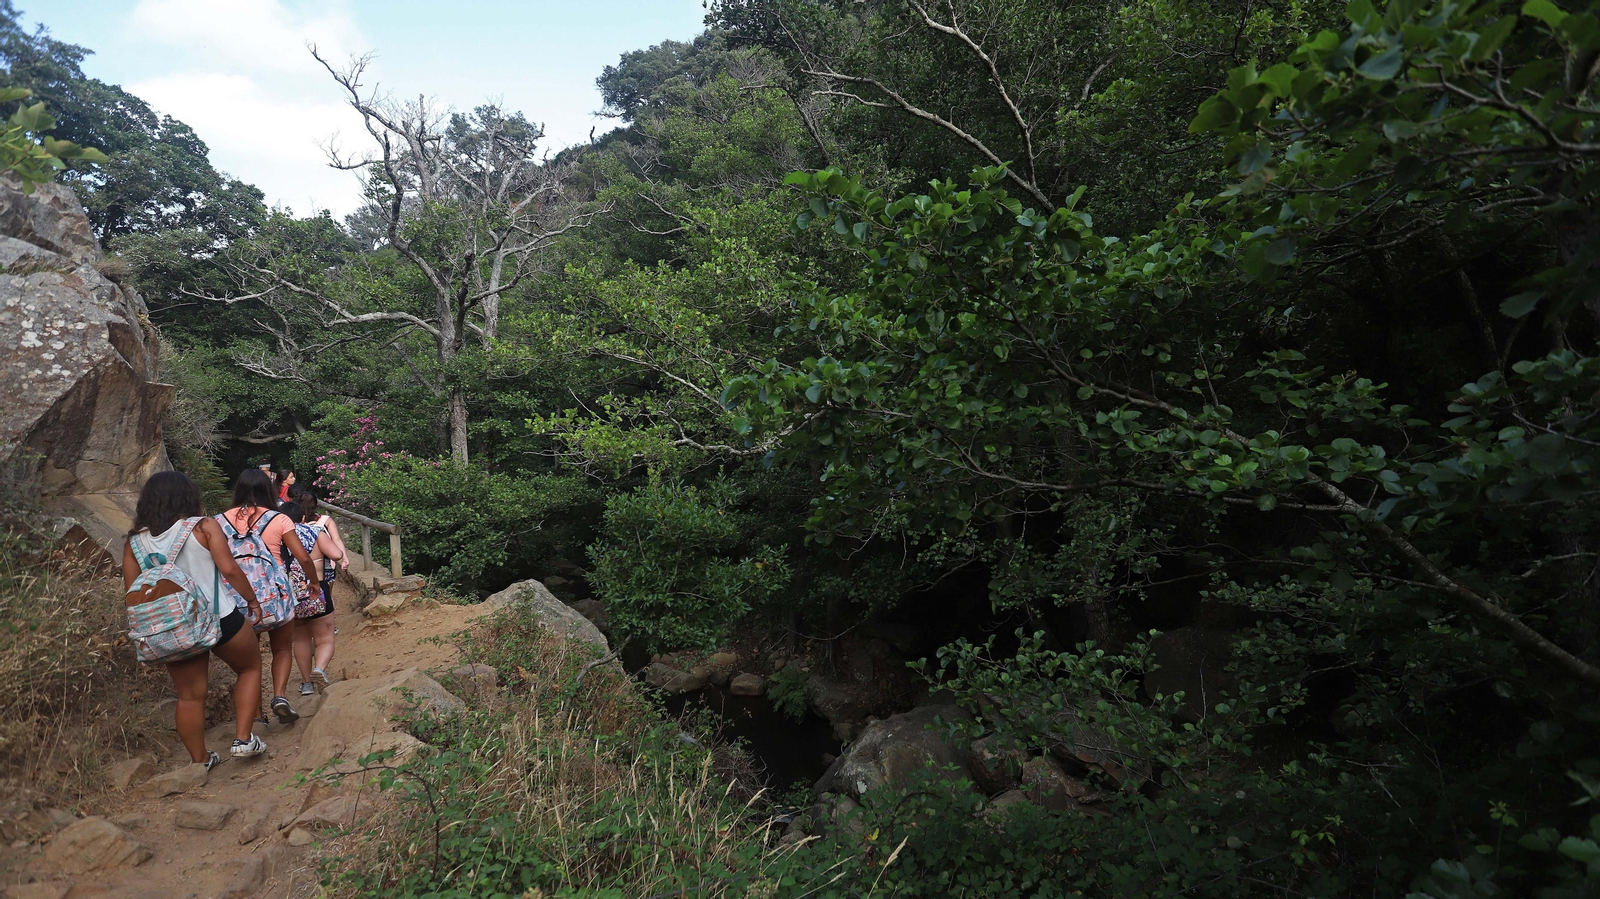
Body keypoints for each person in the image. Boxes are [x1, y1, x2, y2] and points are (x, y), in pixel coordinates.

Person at [123, 471, 269, 767]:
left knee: (189, 696)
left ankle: (201, 761)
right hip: (220, 615)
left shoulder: (134, 543)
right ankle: (243, 739)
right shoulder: (202, 527)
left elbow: (132, 591)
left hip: (174, 626)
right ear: (188, 496)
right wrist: (252, 601)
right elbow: (229, 569)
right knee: (250, 667)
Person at [218, 469, 321, 723]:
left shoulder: (218, 521)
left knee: (250, 662)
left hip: (238, 597)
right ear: (269, 489)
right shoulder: (279, 519)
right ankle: (279, 696)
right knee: (282, 647)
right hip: (276, 594)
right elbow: (303, 557)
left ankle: (255, 714)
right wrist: (313, 581)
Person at [279, 501, 345, 696]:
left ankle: (307, 683)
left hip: (292, 594)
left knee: (300, 638)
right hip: (318, 590)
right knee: (324, 637)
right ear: (302, 517)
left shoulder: (277, 538)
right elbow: (336, 554)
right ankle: (320, 669)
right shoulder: (315, 532)